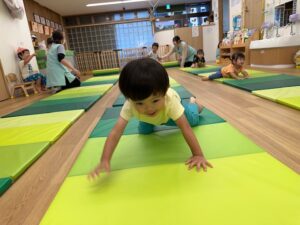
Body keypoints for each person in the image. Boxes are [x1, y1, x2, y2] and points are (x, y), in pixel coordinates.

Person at [89, 58, 212, 179]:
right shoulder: (131, 104)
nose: (148, 108)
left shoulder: (170, 101)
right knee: (144, 132)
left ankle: (193, 104)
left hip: (168, 114)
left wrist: (198, 155)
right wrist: (105, 159)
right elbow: (116, 133)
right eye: (140, 103)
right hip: (148, 118)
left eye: (155, 100)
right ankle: (153, 115)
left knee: (193, 121)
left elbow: (185, 128)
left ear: (164, 92)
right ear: (130, 98)